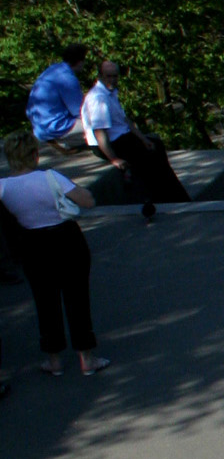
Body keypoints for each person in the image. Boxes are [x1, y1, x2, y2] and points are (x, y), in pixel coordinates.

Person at [0, 133, 107, 378]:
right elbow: (87, 201)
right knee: (76, 298)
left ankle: (53, 359)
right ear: (35, 155)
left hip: (32, 244)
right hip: (66, 239)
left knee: (44, 301)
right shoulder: (50, 177)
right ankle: (86, 357)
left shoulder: (4, 187)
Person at [80, 58, 188, 219]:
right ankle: (165, 198)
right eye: (109, 76)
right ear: (100, 76)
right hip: (107, 144)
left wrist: (143, 138)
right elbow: (99, 133)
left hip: (120, 136)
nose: (113, 80)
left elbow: (125, 121)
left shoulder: (110, 93)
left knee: (155, 144)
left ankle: (175, 196)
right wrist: (114, 159)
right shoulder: (98, 99)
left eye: (115, 76)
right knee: (147, 159)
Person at [26, 47, 88, 149]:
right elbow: (80, 111)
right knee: (101, 124)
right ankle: (64, 141)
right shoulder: (68, 79)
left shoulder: (54, 69)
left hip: (39, 127)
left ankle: (63, 142)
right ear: (79, 61)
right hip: (54, 127)